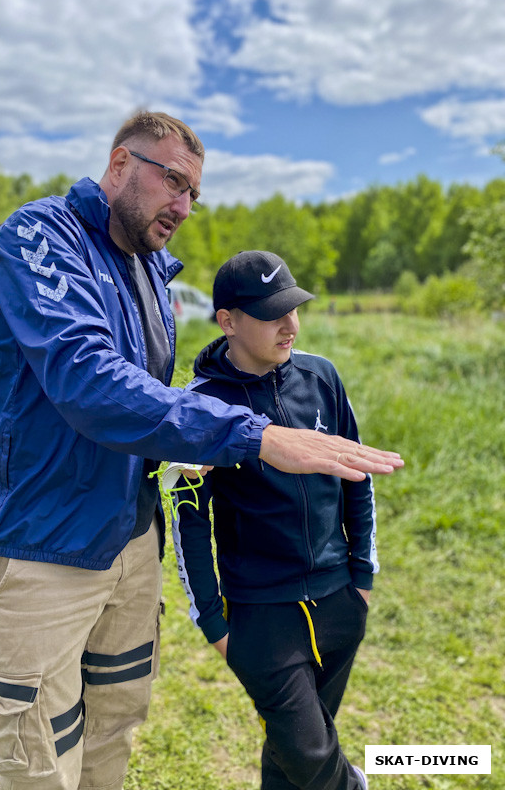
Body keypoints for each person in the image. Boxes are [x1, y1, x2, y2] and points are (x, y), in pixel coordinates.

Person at [0, 112, 402, 790]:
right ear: (118, 165)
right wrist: (253, 435)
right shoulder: (38, 238)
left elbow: (151, 413)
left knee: (112, 722)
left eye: (195, 192)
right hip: (43, 543)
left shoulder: (150, 275)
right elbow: (89, 381)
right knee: (38, 756)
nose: (185, 206)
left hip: (131, 541)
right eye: (173, 182)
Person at [172, 250, 379, 790]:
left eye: (294, 308)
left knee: (293, 753)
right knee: (312, 753)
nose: (291, 325)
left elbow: (357, 475)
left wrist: (362, 578)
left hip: (338, 599)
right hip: (261, 616)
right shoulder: (198, 407)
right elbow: (188, 524)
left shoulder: (322, 377)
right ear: (228, 321)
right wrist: (213, 622)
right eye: (272, 314)